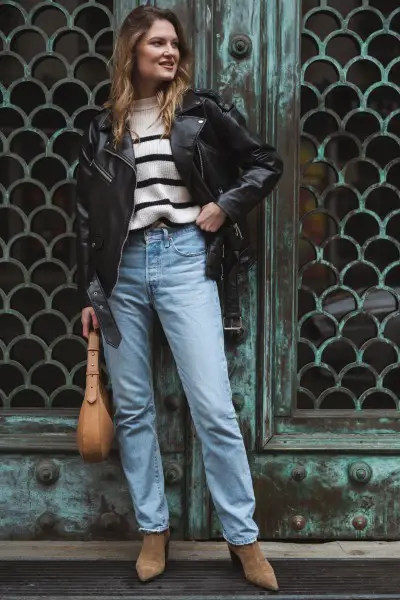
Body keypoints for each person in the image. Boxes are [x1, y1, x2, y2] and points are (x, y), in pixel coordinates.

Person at [75, 5, 282, 590]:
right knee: (135, 406)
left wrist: (223, 206)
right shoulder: (100, 126)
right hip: (121, 272)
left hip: (187, 257)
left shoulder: (200, 110)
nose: (169, 52)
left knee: (213, 406)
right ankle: (153, 531)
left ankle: (244, 539)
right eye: (157, 43)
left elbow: (265, 162)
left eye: (174, 44)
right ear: (131, 50)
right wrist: (91, 291)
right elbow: (87, 219)